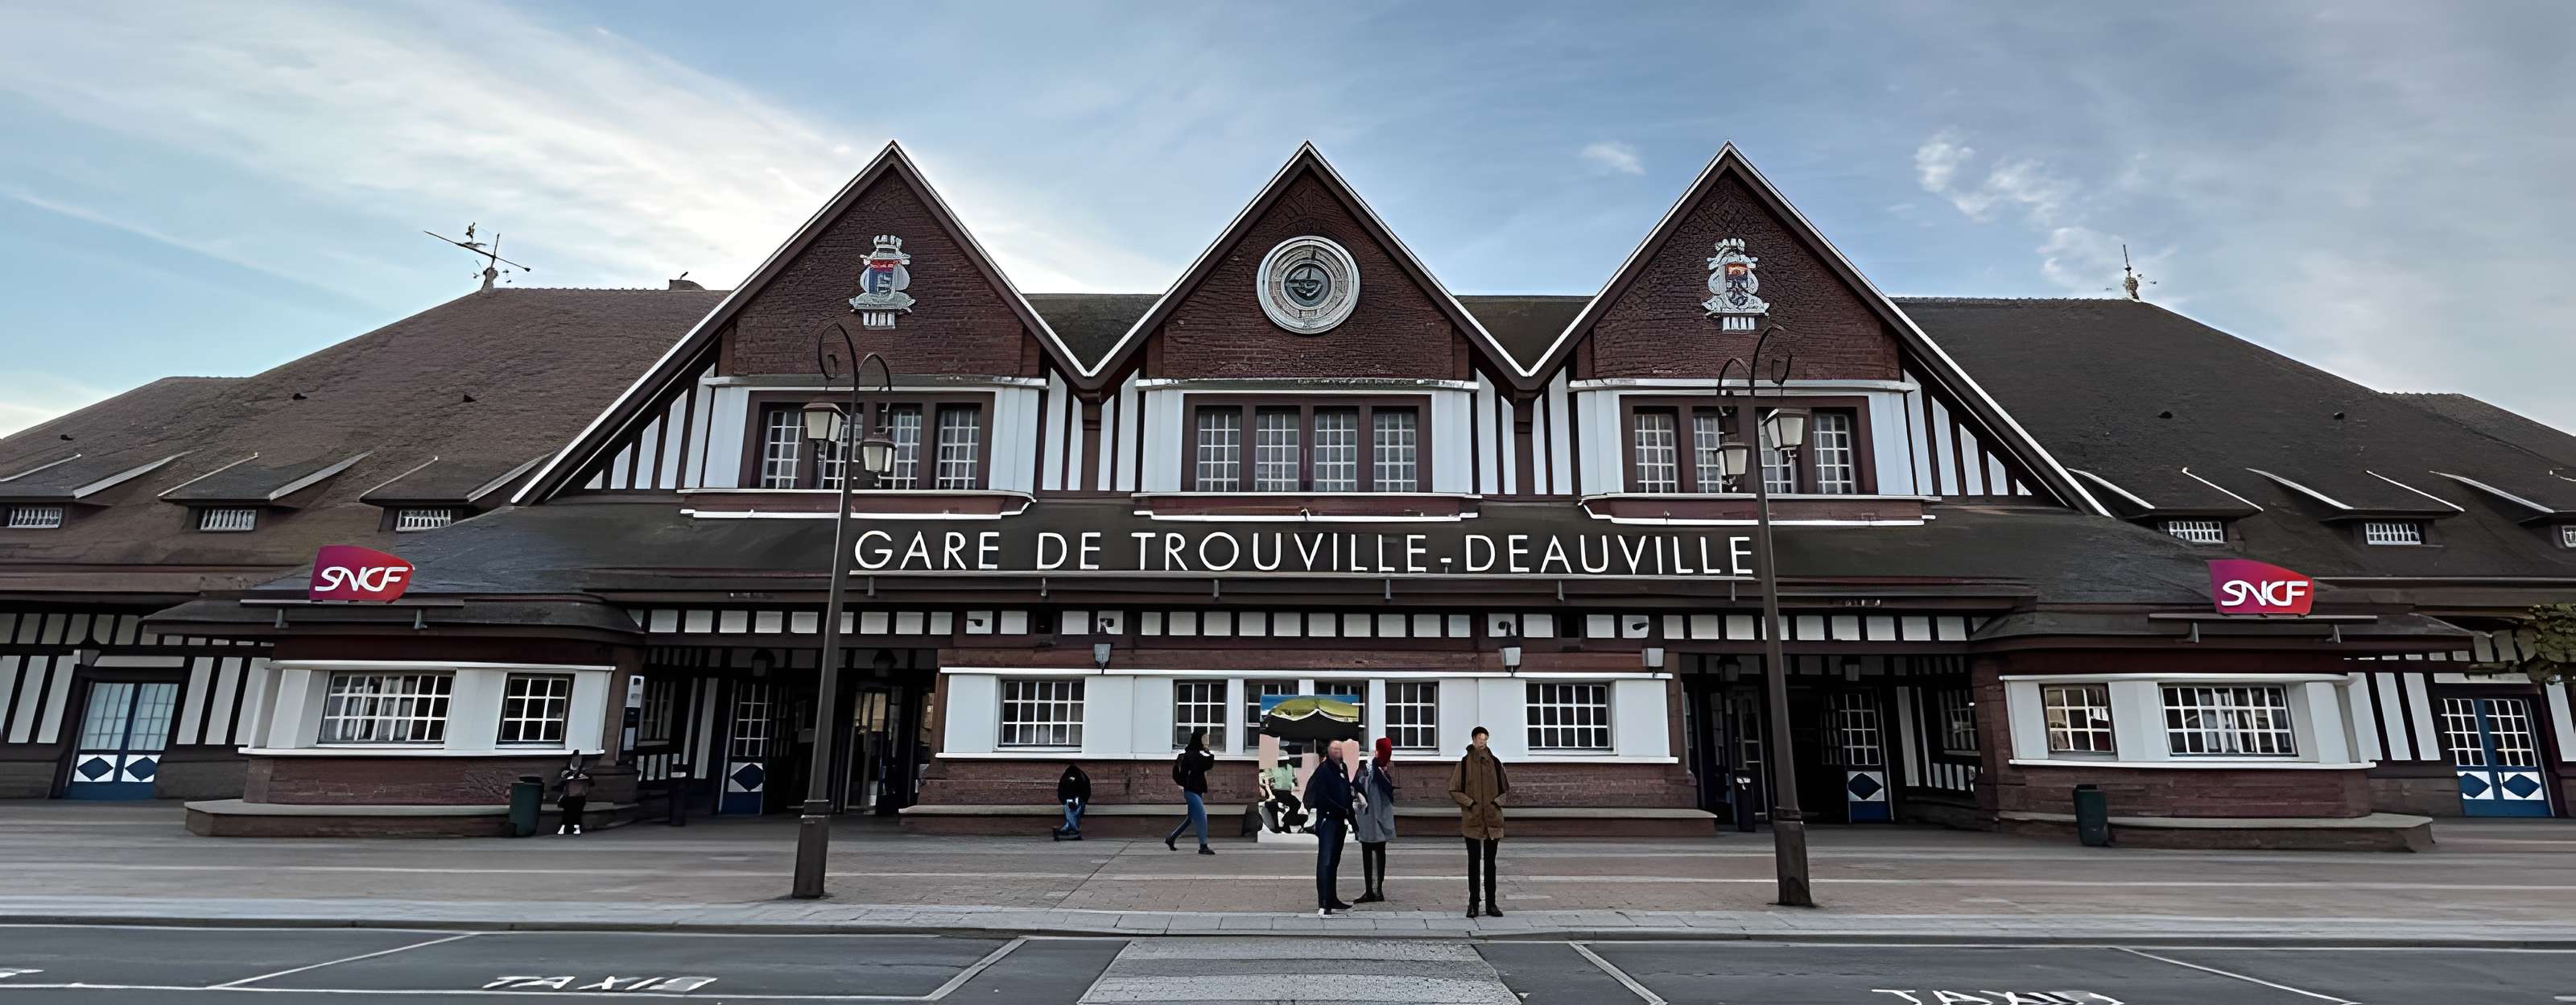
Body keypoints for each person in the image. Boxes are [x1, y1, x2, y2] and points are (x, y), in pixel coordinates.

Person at [1449, 726, 1509, 917]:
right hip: (1472, 820)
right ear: (1474, 739)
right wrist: (1471, 804)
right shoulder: (1464, 764)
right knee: (1473, 863)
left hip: (1492, 820)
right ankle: (1473, 903)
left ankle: (1491, 904)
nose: (1483, 742)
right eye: (1480, 739)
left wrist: (1496, 803)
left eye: (1485, 739)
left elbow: (1506, 789)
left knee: (1491, 864)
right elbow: (1454, 789)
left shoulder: (1496, 763)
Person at [1304, 738, 1356, 916]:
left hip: (1340, 820)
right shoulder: (1324, 770)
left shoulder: (1342, 768)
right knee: (1325, 861)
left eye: (1339, 749)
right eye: (1334, 749)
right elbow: (1322, 797)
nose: (1337, 752)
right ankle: (1324, 903)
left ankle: (1332, 898)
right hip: (1328, 820)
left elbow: (1347, 793)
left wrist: (1352, 818)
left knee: (1334, 861)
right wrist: (1341, 809)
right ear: (1328, 751)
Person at [1353, 737, 1398, 903]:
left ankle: (1372, 892)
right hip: (1379, 818)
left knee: (1369, 853)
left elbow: (1364, 788)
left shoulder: (1375, 770)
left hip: (1371, 819)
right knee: (1379, 852)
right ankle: (1376, 890)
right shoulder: (1383, 769)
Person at [1165, 730, 1216, 854]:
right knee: (1202, 816)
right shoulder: (1190, 756)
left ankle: (1171, 838)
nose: (1207, 741)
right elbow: (1182, 772)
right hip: (1191, 791)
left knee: (1190, 818)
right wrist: (1184, 785)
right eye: (1205, 739)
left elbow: (1207, 765)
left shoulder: (1197, 755)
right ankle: (1203, 846)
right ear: (1198, 740)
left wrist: (1208, 753)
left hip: (1197, 790)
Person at [1257, 757, 1306, 833]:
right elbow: (1265, 780)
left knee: (1296, 804)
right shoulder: (1271, 767)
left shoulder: (1289, 767)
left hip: (1287, 793)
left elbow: (1294, 780)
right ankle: (1276, 826)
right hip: (1276, 792)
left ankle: (1286, 823)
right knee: (1273, 805)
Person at [555, 755, 593, 836]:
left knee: (577, 811)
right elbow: (559, 783)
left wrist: (584, 777)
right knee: (569, 812)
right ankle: (566, 827)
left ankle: (574, 827)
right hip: (570, 795)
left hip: (579, 795)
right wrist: (566, 777)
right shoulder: (566, 771)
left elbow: (591, 783)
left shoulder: (585, 772)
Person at [1053, 763, 1089, 841]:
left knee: (1071, 813)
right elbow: (1086, 790)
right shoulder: (1081, 776)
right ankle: (1073, 830)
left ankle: (1068, 829)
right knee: (1073, 813)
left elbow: (1062, 790)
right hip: (1077, 800)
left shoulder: (1067, 777)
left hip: (1073, 800)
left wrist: (1065, 801)